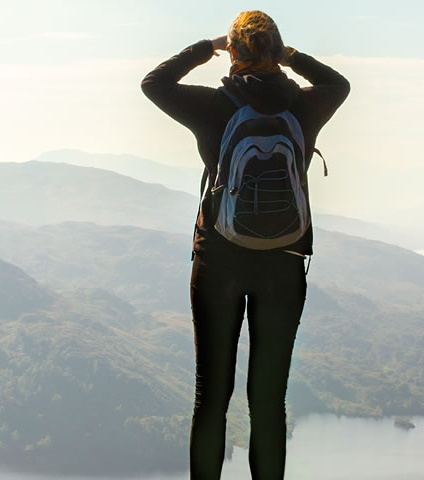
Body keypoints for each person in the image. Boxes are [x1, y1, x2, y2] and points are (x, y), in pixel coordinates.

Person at [141, 10, 348, 480]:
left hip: (217, 263)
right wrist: (291, 56)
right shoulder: (308, 105)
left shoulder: (214, 105)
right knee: (269, 401)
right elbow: (340, 83)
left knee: (210, 395)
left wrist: (204, 47)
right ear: (277, 51)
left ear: (233, 53)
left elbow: (154, 83)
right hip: (285, 266)